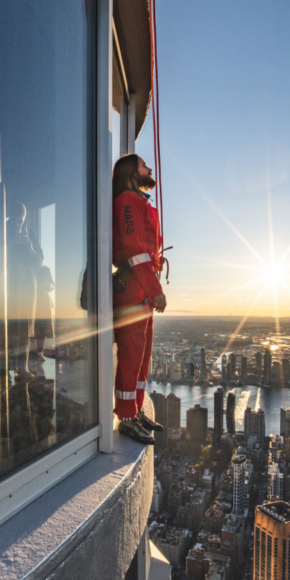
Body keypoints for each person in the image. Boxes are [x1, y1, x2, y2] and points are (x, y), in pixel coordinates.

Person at [112, 154, 166, 444]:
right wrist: (154, 288)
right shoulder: (127, 201)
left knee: (143, 353)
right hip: (134, 285)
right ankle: (126, 416)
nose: (149, 169)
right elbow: (135, 250)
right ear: (133, 172)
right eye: (145, 165)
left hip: (140, 287)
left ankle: (135, 408)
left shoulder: (138, 202)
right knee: (132, 352)